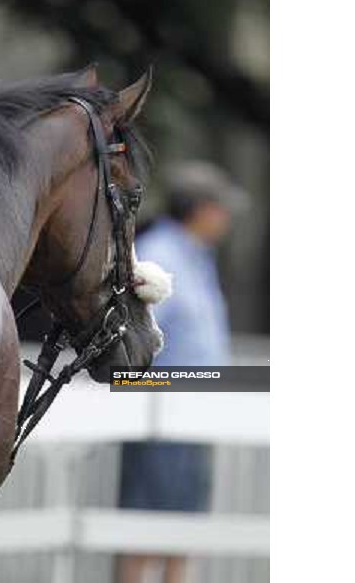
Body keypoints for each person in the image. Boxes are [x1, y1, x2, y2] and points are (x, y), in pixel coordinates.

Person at [117, 161, 248, 583]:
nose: (226, 219)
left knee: (180, 533)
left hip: (189, 420)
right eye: (221, 208)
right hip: (160, 420)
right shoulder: (162, 255)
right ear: (202, 210)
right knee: (145, 532)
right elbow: (136, 348)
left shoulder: (194, 257)